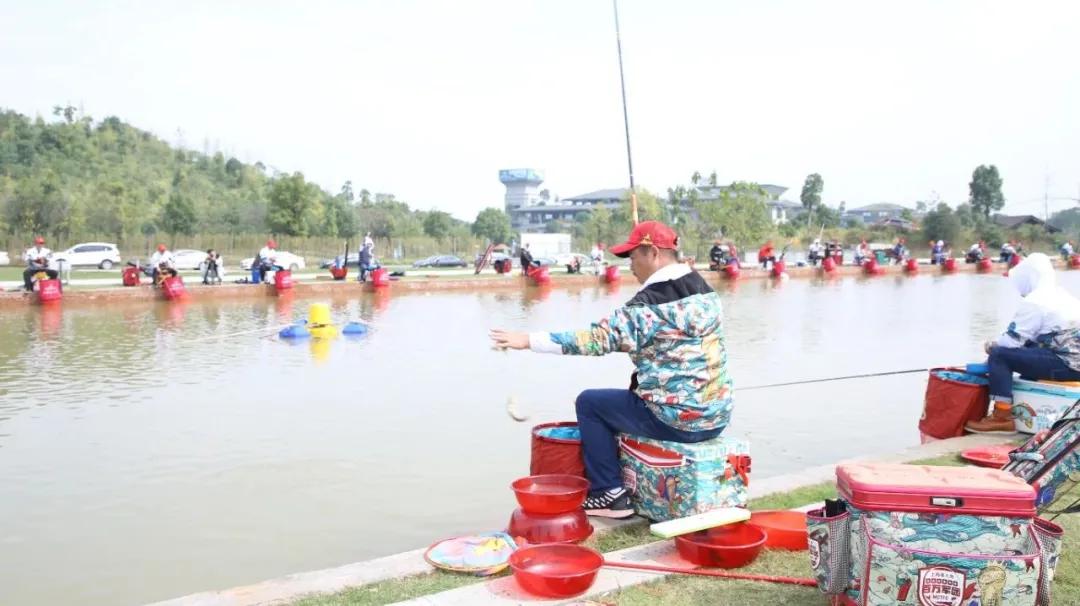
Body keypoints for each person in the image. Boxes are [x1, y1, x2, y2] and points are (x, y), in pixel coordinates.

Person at [490, 221, 732, 518]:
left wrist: (528, 340)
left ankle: (609, 493)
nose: (630, 264)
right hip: (717, 416)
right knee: (626, 396)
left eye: (633, 256)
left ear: (653, 253)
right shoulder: (706, 292)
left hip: (677, 422)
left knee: (590, 403)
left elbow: (596, 339)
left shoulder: (648, 304)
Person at [966, 253, 1080, 433]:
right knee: (1024, 350)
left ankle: (1002, 417)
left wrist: (990, 346)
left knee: (999, 354)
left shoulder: (1036, 300)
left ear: (1029, 277)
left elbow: (1010, 341)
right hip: (1074, 364)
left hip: (1067, 365)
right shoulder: (1063, 295)